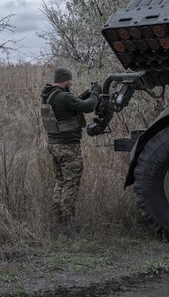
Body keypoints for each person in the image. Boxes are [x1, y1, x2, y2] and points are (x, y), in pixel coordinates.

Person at [40, 67, 101, 226]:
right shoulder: (63, 97)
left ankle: (58, 220)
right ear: (65, 81)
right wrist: (95, 93)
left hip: (54, 145)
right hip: (67, 147)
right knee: (71, 183)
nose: (72, 83)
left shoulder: (49, 95)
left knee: (60, 182)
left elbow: (73, 105)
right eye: (70, 80)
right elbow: (88, 107)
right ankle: (68, 223)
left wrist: (86, 94)